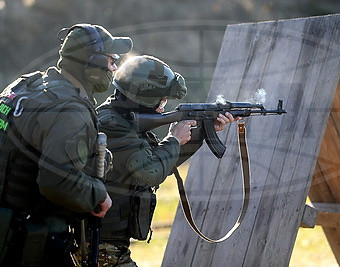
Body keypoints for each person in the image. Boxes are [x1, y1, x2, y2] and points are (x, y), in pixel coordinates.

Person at [0, 24, 132, 266]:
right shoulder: (70, 110)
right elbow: (57, 182)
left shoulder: (25, 86)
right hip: (28, 239)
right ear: (90, 62)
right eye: (111, 59)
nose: (114, 67)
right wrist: (99, 194)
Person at [96, 55, 235, 266]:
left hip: (109, 241)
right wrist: (174, 139)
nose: (163, 107)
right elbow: (151, 171)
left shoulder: (121, 119)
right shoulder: (112, 126)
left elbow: (161, 162)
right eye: (161, 100)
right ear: (143, 98)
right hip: (99, 244)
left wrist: (204, 130)